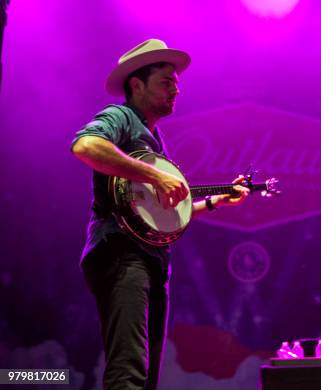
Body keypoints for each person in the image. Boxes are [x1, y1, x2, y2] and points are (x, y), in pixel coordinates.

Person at [71, 39, 250, 389]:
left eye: (177, 84)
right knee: (129, 370)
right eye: (166, 82)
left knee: (148, 375)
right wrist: (154, 174)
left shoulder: (156, 141)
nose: (176, 90)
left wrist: (215, 202)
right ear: (137, 85)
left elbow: (163, 216)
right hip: (121, 252)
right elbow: (85, 145)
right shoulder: (120, 117)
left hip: (150, 258)